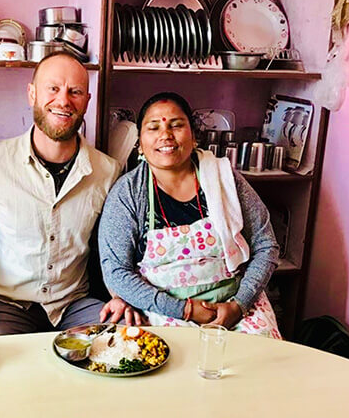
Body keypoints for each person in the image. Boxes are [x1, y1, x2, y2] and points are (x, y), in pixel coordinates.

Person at [0, 52, 138, 334]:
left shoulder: (107, 171)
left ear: (87, 102)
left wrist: (119, 296)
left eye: (75, 92)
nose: (64, 100)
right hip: (7, 305)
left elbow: (112, 247)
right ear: (32, 94)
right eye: (53, 89)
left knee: (126, 342)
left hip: (73, 305)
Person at [98, 92, 282, 337]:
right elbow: (116, 271)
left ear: (194, 136)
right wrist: (184, 309)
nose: (166, 135)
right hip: (161, 311)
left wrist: (239, 305)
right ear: (140, 143)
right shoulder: (128, 193)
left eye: (176, 125)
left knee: (256, 363)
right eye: (154, 127)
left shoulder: (225, 179)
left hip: (234, 306)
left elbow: (266, 245)